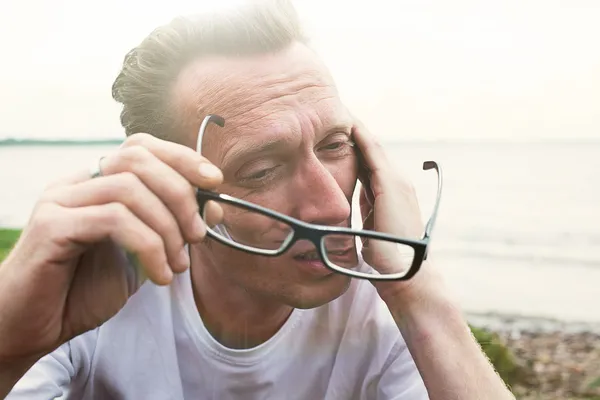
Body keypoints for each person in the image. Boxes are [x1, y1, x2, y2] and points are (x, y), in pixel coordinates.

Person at [0, 1, 515, 399]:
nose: (335, 209)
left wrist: (419, 292)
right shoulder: (100, 294)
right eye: (262, 170)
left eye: (335, 145)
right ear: (172, 184)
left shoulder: (382, 311)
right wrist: (13, 339)